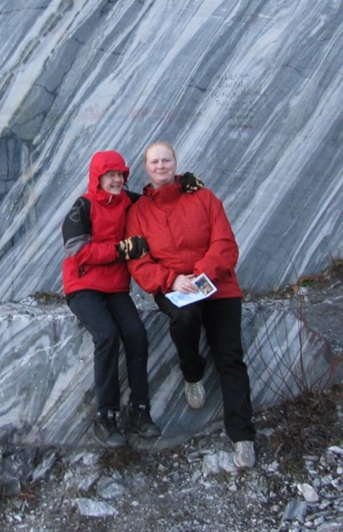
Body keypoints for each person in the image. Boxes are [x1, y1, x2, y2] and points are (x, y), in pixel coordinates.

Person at [125, 141, 256, 468]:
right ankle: (192, 371)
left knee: (230, 357)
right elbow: (139, 262)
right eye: (154, 162)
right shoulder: (139, 212)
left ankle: (242, 436)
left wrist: (201, 275)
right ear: (147, 167)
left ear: (175, 163)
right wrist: (171, 280)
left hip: (217, 285)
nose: (160, 166)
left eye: (165, 160)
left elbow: (225, 242)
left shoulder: (204, 197)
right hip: (174, 287)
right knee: (183, 318)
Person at [61, 150, 162, 448]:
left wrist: (183, 185)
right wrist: (120, 250)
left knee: (136, 334)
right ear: (98, 177)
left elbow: (158, 198)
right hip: (82, 285)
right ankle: (105, 416)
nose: (117, 180)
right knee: (106, 335)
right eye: (111, 175)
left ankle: (139, 411)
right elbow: (76, 250)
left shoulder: (129, 202)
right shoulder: (82, 206)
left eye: (120, 175)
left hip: (116, 287)